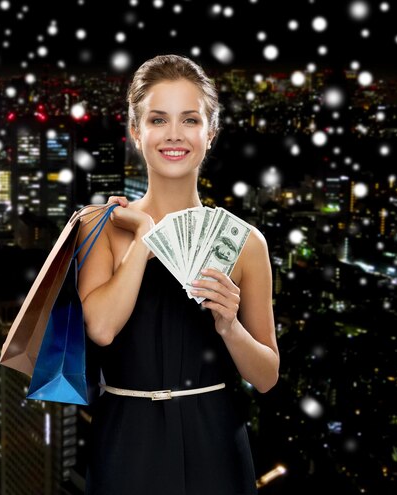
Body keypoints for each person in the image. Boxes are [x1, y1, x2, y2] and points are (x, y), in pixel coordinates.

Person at [76, 54, 279, 495]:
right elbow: (102, 328)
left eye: (190, 120)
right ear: (136, 131)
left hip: (217, 442)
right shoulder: (99, 225)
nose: (174, 135)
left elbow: (266, 376)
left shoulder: (245, 242)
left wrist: (229, 326)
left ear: (211, 132)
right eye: (158, 119)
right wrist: (147, 239)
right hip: (126, 439)